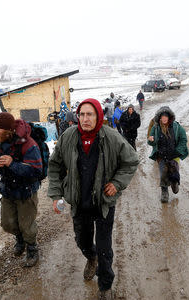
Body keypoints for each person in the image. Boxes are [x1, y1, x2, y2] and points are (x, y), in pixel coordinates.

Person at [48, 98, 139, 300]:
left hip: (104, 203)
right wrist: (56, 194)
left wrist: (116, 183)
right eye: (81, 114)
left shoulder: (111, 137)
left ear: (98, 116)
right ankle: (91, 257)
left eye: (90, 114)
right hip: (80, 202)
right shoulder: (68, 137)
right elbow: (54, 166)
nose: (85, 119)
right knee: (83, 241)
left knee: (105, 246)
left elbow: (131, 161)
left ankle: (105, 285)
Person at [0, 112, 42, 267]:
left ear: (9, 131)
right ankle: (19, 239)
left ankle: (32, 248)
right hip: (7, 189)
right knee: (7, 223)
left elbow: (36, 171)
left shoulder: (28, 144)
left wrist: (12, 164)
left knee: (26, 225)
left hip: (26, 191)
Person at [147, 106, 188, 203]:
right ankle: (164, 192)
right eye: (162, 116)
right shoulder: (156, 127)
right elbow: (151, 141)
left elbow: (183, 139)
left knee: (173, 172)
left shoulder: (177, 127)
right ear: (160, 118)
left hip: (174, 155)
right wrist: (151, 140)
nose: (164, 118)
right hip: (161, 156)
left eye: (166, 116)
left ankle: (174, 183)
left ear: (169, 117)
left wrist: (178, 150)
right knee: (163, 174)